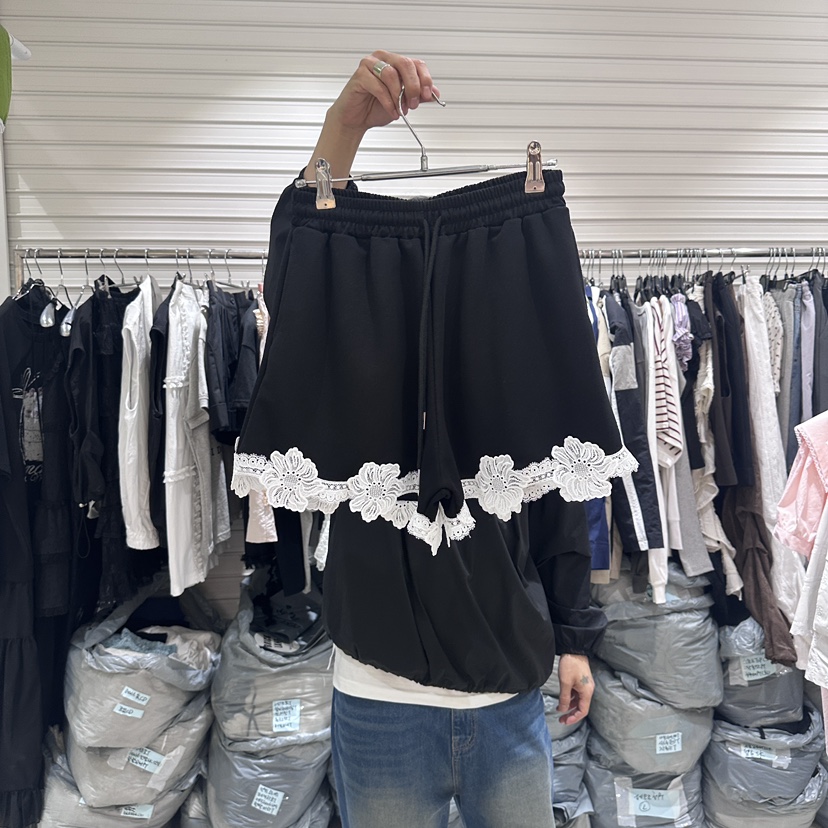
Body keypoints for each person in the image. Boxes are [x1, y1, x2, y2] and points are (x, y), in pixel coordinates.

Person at [233, 50, 632, 828]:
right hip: (376, 689)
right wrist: (343, 127)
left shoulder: (515, 304)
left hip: (506, 683)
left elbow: (557, 498)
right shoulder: (338, 308)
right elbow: (298, 256)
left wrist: (575, 637)